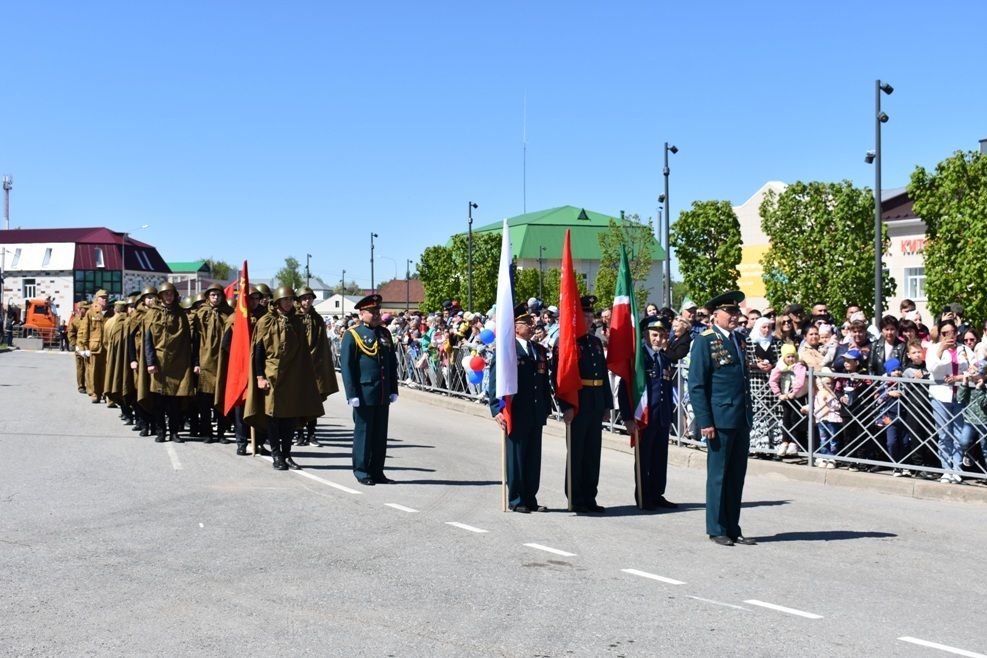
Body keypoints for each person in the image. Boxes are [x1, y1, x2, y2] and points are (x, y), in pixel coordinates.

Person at [687, 291, 755, 546]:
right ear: (716, 314)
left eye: (737, 312)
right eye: (730, 312)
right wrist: (705, 421)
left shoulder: (738, 339)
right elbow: (697, 384)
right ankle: (716, 528)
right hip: (719, 418)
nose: (735, 317)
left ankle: (732, 526)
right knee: (718, 475)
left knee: (736, 475)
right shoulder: (706, 340)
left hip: (740, 417)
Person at [245, 286, 324, 471]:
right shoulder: (265, 321)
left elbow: (303, 352)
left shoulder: (296, 322)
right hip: (271, 375)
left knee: (289, 418)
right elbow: (258, 352)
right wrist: (259, 376)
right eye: (285, 299)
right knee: (273, 417)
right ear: (277, 301)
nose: (288, 303)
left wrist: (305, 377)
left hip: (292, 376)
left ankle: (287, 454)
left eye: (291, 299)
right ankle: (276, 455)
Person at [488, 303, 551, 513]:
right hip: (516, 410)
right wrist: (497, 408)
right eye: (527, 323)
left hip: (535, 410)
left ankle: (530, 497)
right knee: (516, 457)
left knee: (533, 457)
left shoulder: (538, 350)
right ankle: (516, 499)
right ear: (515, 326)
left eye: (532, 322)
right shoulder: (507, 350)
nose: (532, 326)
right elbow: (496, 380)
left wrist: (546, 407)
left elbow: (543, 382)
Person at [557, 295, 613, 514]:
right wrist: (565, 406)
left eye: (591, 316)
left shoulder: (595, 342)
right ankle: (575, 497)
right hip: (577, 402)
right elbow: (561, 377)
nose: (589, 320)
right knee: (577, 452)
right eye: (584, 316)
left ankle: (590, 496)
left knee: (592, 453)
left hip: (596, 401)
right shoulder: (569, 343)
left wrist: (607, 404)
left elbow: (603, 376)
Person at [618, 316, 677, 511]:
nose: (659, 339)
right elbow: (625, 388)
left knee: (660, 458)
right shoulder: (639, 359)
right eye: (655, 335)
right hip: (643, 417)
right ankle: (644, 496)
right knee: (644, 459)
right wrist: (627, 418)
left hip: (661, 416)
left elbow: (667, 390)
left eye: (662, 335)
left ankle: (657, 493)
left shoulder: (664, 358)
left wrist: (669, 416)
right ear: (645, 335)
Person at [339, 294, 399, 485]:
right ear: (362, 313)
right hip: (364, 393)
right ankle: (362, 471)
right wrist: (352, 394)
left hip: (382, 391)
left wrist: (393, 388)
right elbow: (347, 366)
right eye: (372, 311)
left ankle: (377, 471)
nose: (376, 314)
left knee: (380, 435)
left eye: (377, 311)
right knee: (364, 434)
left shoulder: (384, 333)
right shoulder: (352, 334)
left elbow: (391, 363)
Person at [143, 282, 195, 443]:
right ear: (160, 296)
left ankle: (174, 432)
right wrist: (150, 362)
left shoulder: (180, 314)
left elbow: (187, 340)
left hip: (177, 364)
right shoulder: (152, 314)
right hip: (158, 363)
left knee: (174, 403)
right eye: (166, 294)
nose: (169, 297)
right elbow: (148, 340)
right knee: (159, 401)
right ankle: (160, 432)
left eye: (171, 294)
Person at [295, 286, 339, 445]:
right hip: (297, 366)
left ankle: (312, 434)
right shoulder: (294, 317)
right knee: (297, 402)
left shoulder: (317, 319)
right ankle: (299, 434)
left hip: (314, 366)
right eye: (304, 298)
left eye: (310, 298)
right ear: (299, 300)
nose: (307, 301)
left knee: (314, 402)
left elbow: (322, 344)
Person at [192, 283, 234, 443]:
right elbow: (195, 340)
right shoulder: (200, 313)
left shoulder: (229, 314)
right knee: (204, 402)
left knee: (222, 401)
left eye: (218, 295)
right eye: (212, 295)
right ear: (207, 297)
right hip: (205, 362)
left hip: (223, 363)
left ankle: (221, 433)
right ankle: (207, 432)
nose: (215, 298)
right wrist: (196, 362)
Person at [77, 290, 109, 403]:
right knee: (94, 372)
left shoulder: (111, 312)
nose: (105, 299)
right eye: (102, 297)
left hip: (108, 348)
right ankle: (95, 393)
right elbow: (85, 330)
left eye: (106, 297)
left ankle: (106, 393)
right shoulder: (91, 312)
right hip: (94, 348)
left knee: (107, 372)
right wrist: (83, 348)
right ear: (97, 299)